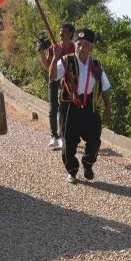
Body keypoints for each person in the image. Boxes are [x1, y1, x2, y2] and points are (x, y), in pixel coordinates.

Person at [50, 28, 112, 183]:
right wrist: (55, 57)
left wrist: (108, 108)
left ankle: (88, 164)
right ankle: (71, 171)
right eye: (79, 44)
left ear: (91, 47)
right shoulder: (66, 61)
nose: (82, 48)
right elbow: (52, 76)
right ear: (74, 44)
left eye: (85, 45)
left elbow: (105, 88)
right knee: (69, 142)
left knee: (94, 139)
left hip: (89, 107)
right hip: (69, 107)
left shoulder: (96, 65)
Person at [36, 23, 76, 150]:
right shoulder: (54, 47)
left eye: (63, 32)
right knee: (53, 109)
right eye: (59, 32)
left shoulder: (75, 48)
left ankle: (65, 136)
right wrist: (42, 53)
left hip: (68, 83)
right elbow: (49, 68)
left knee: (65, 110)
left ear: (70, 34)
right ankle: (54, 136)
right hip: (54, 81)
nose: (60, 34)